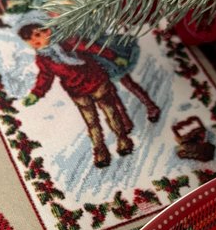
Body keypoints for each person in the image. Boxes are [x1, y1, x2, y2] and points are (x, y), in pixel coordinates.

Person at [18, 16, 134, 167]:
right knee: (91, 121)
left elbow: (92, 47)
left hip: (95, 81)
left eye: (37, 35)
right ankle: (100, 151)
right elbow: (45, 76)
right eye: (29, 39)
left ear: (48, 31)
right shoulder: (43, 59)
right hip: (77, 91)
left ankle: (123, 139)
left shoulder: (68, 42)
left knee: (110, 111)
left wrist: (113, 57)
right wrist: (36, 93)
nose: (34, 41)